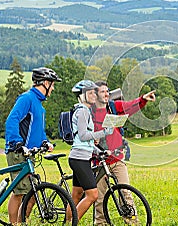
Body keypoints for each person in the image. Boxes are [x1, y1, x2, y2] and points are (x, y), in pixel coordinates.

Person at [91, 80, 156, 225]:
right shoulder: (90, 112)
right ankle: (101, 223)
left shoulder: (113, 107)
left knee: (125, 192)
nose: (106, 94)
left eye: (107, 91)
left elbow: (129, 107)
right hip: (99, 161)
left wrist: (143, 99)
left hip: (117, 158)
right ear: (95, 95)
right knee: (100, 198)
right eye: (103, 91)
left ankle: (132, 221)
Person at [4, 67, 60, 224]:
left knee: (33, 192)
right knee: (20, 192)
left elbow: (37, 130)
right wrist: (16, 142)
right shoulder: (26, 99)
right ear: (46, 83)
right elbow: (12, 120)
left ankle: (23, 221)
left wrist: (45, 142)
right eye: (53, 85)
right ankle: (13, 223)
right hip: (18, 152)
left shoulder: (39, 105)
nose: (53, 88)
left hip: (29, 155)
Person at [67, 80, 113, 220]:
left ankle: (67, 221)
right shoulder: (82, 112)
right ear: (82, 95)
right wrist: (103, 132)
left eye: (94, 92)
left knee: (76, 195)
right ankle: (74, 223)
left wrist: (99, 151)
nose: (94, 95)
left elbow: (84, 141)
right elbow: (83, 135)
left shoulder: (85, 110)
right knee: (93, 195)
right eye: (90, 92)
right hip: (79, 159)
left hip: (81, 156)